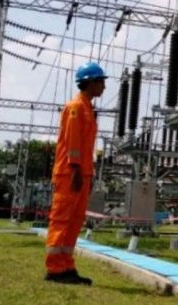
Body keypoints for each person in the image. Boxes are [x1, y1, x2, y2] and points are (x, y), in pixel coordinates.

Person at [45, 62, 107, 285]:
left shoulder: (88, 108)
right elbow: (72, 142)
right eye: (101, 81)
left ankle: (66, 265)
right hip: (70, 173)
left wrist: (87, 174)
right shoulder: (75, 107)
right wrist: (75, 169)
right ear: (89, 82)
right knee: (62, 220)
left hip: (82, 173)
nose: (104, 87)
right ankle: (55, 268)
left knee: (74, 221)